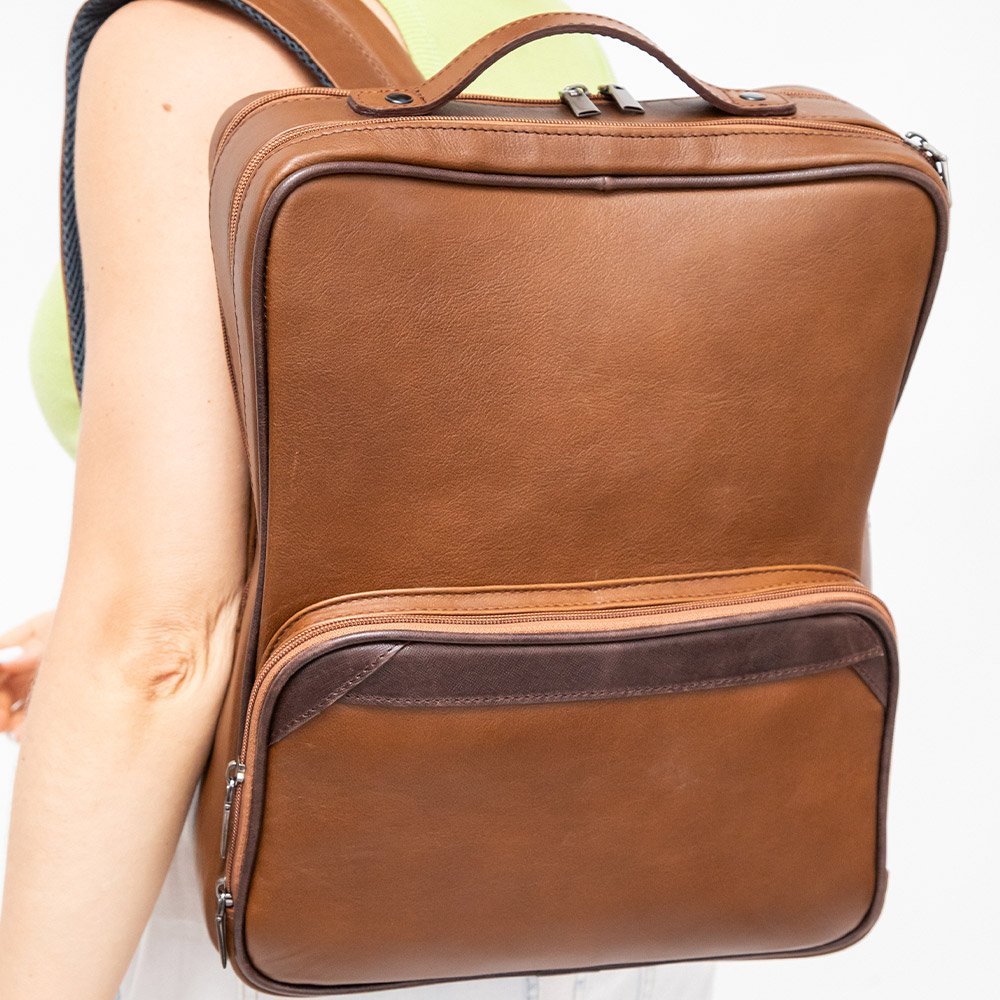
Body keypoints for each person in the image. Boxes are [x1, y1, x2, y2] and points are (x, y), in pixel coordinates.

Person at [0, 2, 717, 998]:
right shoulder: (536, 21)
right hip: (615, 868)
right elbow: (505, 497)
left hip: (317, 882)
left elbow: (158, 652)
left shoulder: (179, 41)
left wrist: (128, 641)